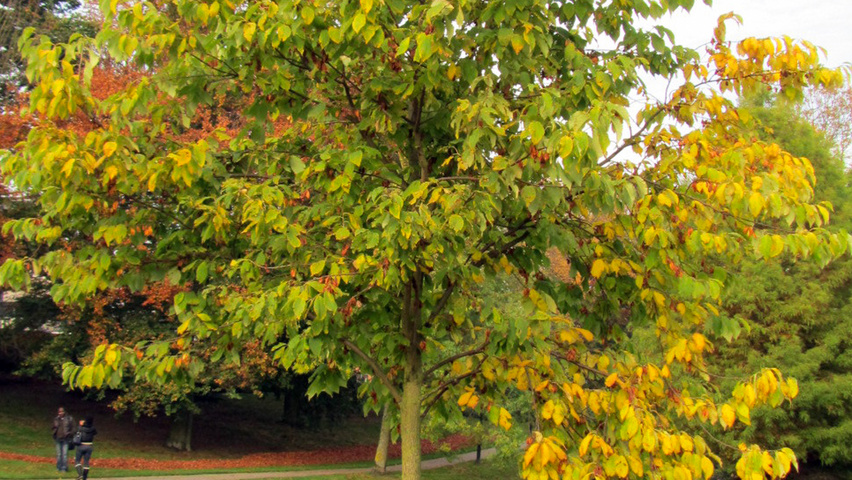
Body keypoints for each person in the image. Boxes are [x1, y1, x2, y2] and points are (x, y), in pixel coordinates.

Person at [52, 407, 75, 473]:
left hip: (66, 439)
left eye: (61, 412)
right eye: (59, 412)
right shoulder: (56, 419)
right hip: (58, 438)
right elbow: (53, 427)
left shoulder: (69, 419)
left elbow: (73, 428)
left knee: (64, 454)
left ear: (64, 412)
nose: (60, 413)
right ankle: (58, 467)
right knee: (59, 454)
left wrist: (69, 433)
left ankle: (64, 468)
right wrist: (54, 432)